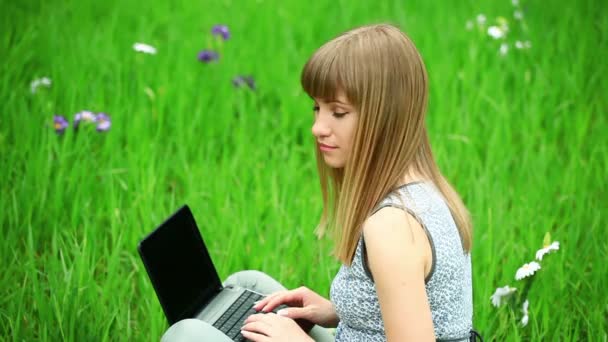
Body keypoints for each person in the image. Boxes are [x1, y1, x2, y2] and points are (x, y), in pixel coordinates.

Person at [162, 23, 476, 342]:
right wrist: (337, 310)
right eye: (317, 108)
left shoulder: (392, 227)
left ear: (384, 119)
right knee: (247, 285)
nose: (317, 128)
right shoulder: (423, 189)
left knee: (186, 334)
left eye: (337, 112)